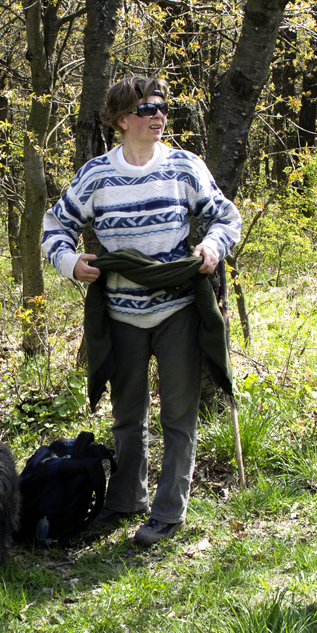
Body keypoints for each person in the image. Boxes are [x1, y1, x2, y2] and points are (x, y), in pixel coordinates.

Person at [42, 75, 242, 547]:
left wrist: (213, 246)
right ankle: (126, 499)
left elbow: (226, 217)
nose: (159, 116)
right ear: (123, 119)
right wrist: (70, 263)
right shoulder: (97, 175)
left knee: (179, 415)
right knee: (128, 416)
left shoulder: (184, 166)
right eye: (148, 108)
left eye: (162, 108)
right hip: (120, 315)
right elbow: (55, 225)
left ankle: (169, 511)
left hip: (178, 311)